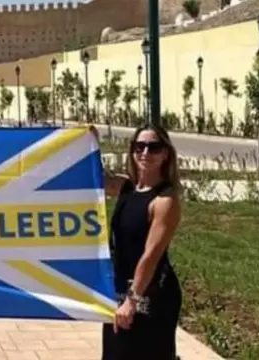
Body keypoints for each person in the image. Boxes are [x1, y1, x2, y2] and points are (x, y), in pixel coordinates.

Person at [100, 124, 183, 360]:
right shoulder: (127, 188)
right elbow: (92, 177)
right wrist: (88, 143)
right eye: (140, 146)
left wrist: (132, 300)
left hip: (151, 293)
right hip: (120, 290)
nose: (145, 153)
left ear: (165, 154)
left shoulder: (164, 200)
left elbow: (151, 256)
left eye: (154, 147)